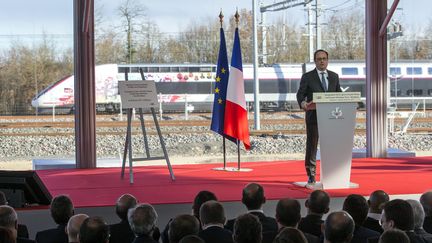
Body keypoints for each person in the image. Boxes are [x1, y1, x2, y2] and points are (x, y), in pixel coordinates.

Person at [296, 49, 342, 184]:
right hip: (314, 117)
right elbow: (300, 94)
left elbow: (338, 93)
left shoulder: (334, 76)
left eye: (324, 58)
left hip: (332, 117)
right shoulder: (308, 77)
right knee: (312, 145)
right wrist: (303, 103)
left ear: (327, 60)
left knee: (330, 146)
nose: (322, 61)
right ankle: (311, 173)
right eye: (319, 59)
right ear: (315, 61)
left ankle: (332, 173)